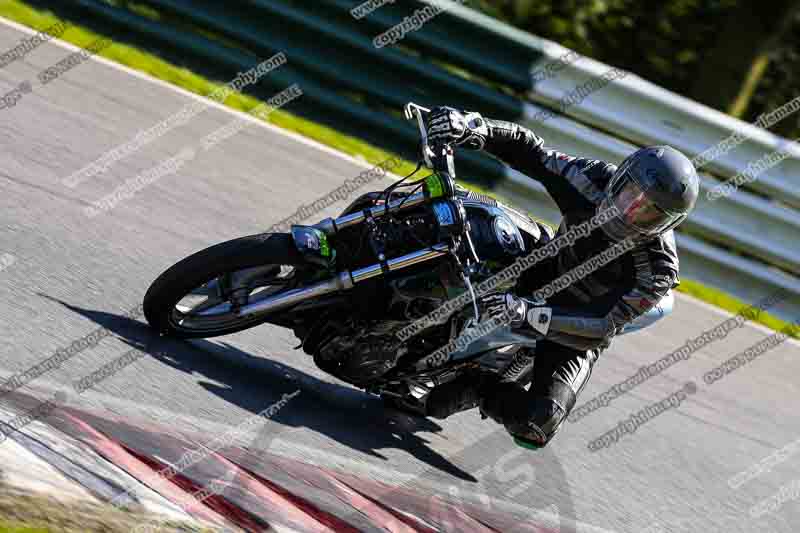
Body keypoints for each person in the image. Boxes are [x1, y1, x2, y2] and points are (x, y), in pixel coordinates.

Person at [422, 106, 699, 449]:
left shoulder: (657, 269)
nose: (631, 213)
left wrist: (531, 315)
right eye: (631, 196)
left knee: (538, 425)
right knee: (469, 227)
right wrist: (475, 128)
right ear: (620, 178)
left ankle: (478, 386)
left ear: (667, 225)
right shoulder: (593, 179)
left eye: (649, 214)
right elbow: (534, 152)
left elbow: (601, 324)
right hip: (544, 267)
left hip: (570, 327)